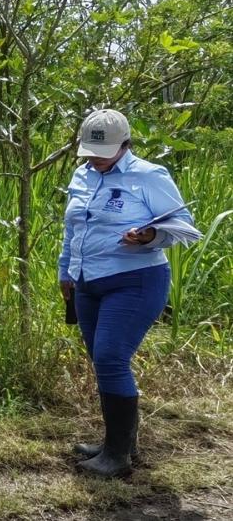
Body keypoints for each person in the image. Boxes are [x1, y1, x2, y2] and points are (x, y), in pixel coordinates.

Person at [59, 109, 194, 478]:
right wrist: (65, 270)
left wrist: (150, 236)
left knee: (110, 357)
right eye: (90, 152)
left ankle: (117, 457)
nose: (96, 159)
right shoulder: (81, 176)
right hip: (87, 282)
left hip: (136, 279)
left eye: (103, 152)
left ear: (125, 145)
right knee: (102, 360)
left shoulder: (149, 176)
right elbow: (73, 228)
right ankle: (118, 442)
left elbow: (183, 226)